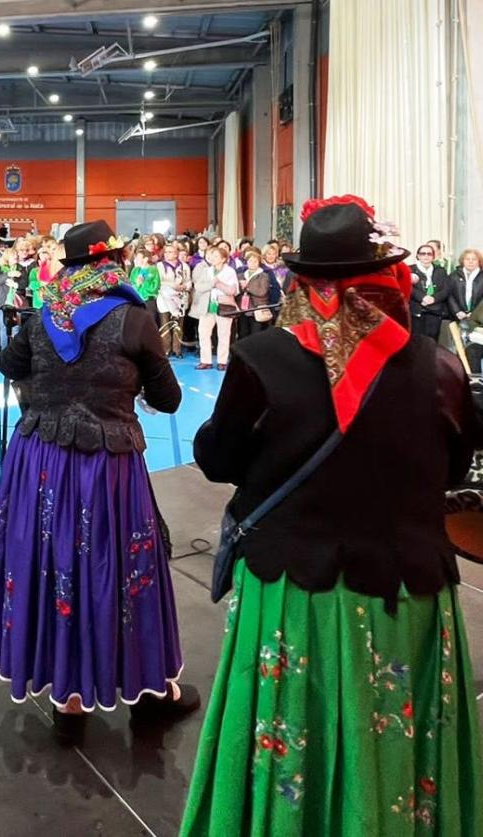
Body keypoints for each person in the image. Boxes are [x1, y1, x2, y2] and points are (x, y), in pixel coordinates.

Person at [181, 196, 483, 836]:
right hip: (407, 592)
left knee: (294, 734)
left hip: (298, 591)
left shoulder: (264, 360)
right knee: (396, 734)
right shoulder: (443, 370)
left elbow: (216, 458)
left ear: (306, 281)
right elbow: (453, 474)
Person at [0, 221, 199, 731]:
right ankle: (149, 693)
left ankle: (68, 706)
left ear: (70, 268)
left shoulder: (43, 316)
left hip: (40, 461)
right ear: (112, 264)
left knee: (53, 564)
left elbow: (8, 364)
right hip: (105, 467)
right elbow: (168, 399)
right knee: (117, 569)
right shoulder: (133, 318)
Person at [192, 246, 238, 370]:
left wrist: (219, 283)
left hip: (223, 306)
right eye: (212, 255)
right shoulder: (207, 271)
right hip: (207, 305)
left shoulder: (230, 272)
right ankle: (205, 360)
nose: (213, 258)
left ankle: (222, 361)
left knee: (224, 334)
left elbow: (232, 290)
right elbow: (199, 287)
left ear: (223, 259)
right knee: (203, 333)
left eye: (216, 256)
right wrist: (211, 283)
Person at [409, 243, 452, 340]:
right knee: (416, 341)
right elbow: (408, 287)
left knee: (432, 340)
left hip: (435, 311)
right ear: (418, 256)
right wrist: (422, 297)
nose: (426, 256)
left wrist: (434, 298)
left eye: (429, 254)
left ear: (433, 257)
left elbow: (446, 289)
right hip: (416, 311)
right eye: (423, 253)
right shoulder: (410, 269)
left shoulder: (440, 271)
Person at [156, 241, 191, 358]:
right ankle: (166, 349)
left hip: (180, 298)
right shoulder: (160, 266)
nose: (167, 254)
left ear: (176, 254)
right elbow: (159, 281)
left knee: (178, 324)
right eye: (165, 252)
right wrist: (172, 285)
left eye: (170, 252)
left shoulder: (184, 266)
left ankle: (177, 349)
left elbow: (189, 281)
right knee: (165, 324)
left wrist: (185, 286)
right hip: (165, 298)